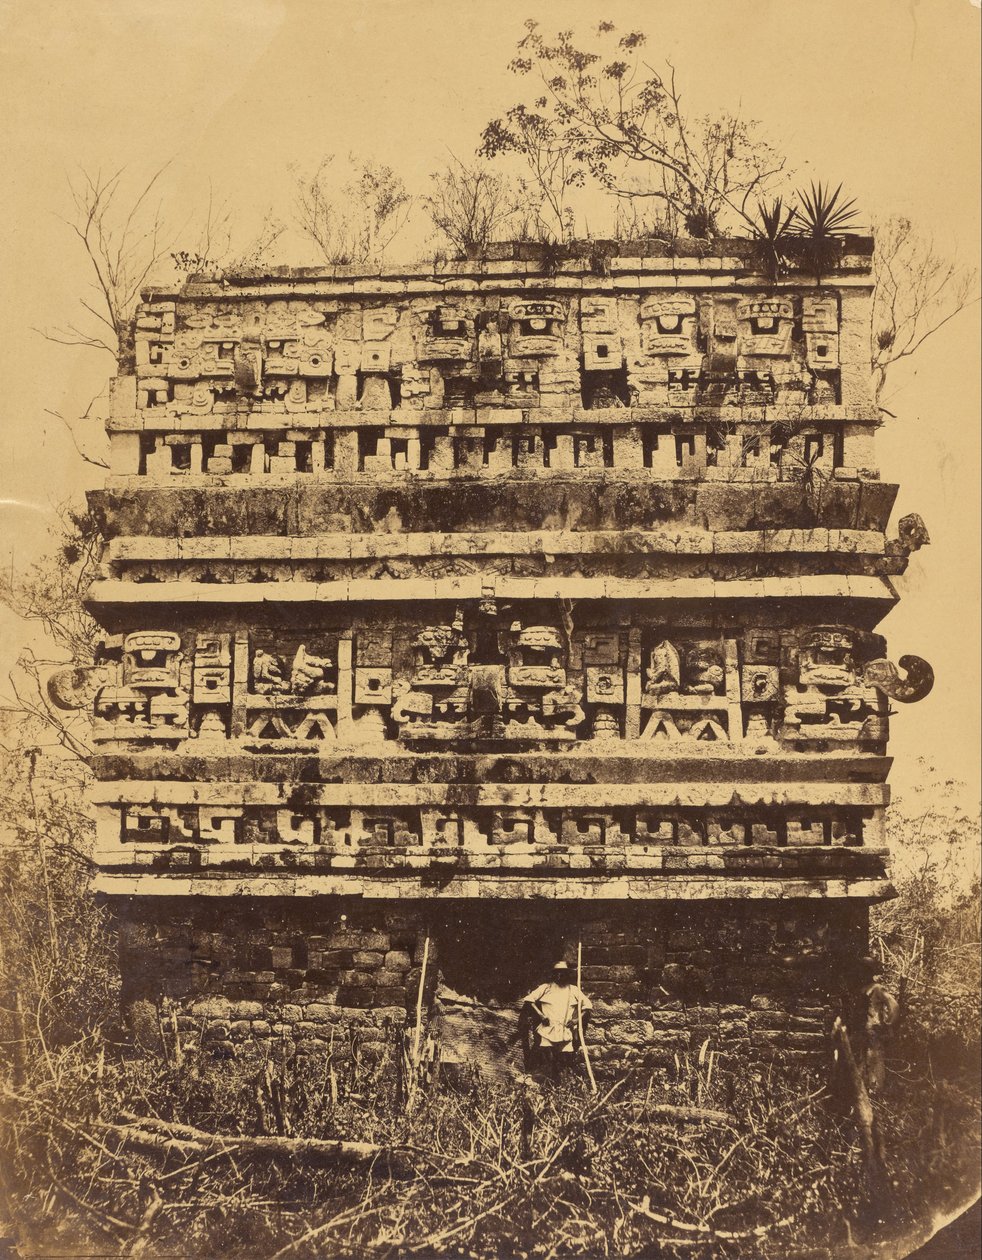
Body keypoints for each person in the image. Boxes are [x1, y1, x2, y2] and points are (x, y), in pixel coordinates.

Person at [521, 961, 592, 1079]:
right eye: (557, 972)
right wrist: (541, 1015)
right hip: (548, 1029)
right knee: (547, 1057)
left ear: (567, 974)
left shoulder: (573, 990)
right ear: (553, 974)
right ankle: (548, 1081)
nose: (560, 975)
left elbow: (588, 1006)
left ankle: (562, 1082)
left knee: (564, 1058)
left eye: (563, 972)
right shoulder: (546, 987)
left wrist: (576, 1020)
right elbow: (529, 1000)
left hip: (564, 1029)